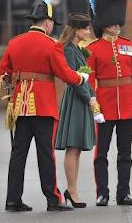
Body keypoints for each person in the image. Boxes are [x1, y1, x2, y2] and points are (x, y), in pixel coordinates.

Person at [0, 0, 89, 212]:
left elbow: (5, 76)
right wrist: (81, 77)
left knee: (18, 154)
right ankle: (52, 198)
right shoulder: (51, 44)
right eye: (52, 23)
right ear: (47, 23)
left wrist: (13, 96)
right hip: (43, 105)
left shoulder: (14, 43)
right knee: (45, 154)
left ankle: (13, 199)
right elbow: (66, 74)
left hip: (21, 105)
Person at [87, 0, 132, 206]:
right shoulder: (92, 49)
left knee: (125, 154)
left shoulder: (129, 45)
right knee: (101, 154)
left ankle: (123, 192)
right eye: (113, 23)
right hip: (105, 106)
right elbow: (90, 82)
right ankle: (102, 192)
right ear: (104, 23)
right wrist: (95, 108)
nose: (117, 26)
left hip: (128, 106)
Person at [55, 13, 104, 208]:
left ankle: (72, 189)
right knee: (73, 147)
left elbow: (85, 77)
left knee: (77, 149)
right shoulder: (68, 50)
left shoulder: (76, 49)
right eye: (85, 28)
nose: (89, 32)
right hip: (76, 98)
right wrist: (90, 98)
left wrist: (91, 95)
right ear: (77, 30)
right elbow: (74, 80)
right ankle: (72, 190)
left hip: (82, 98)